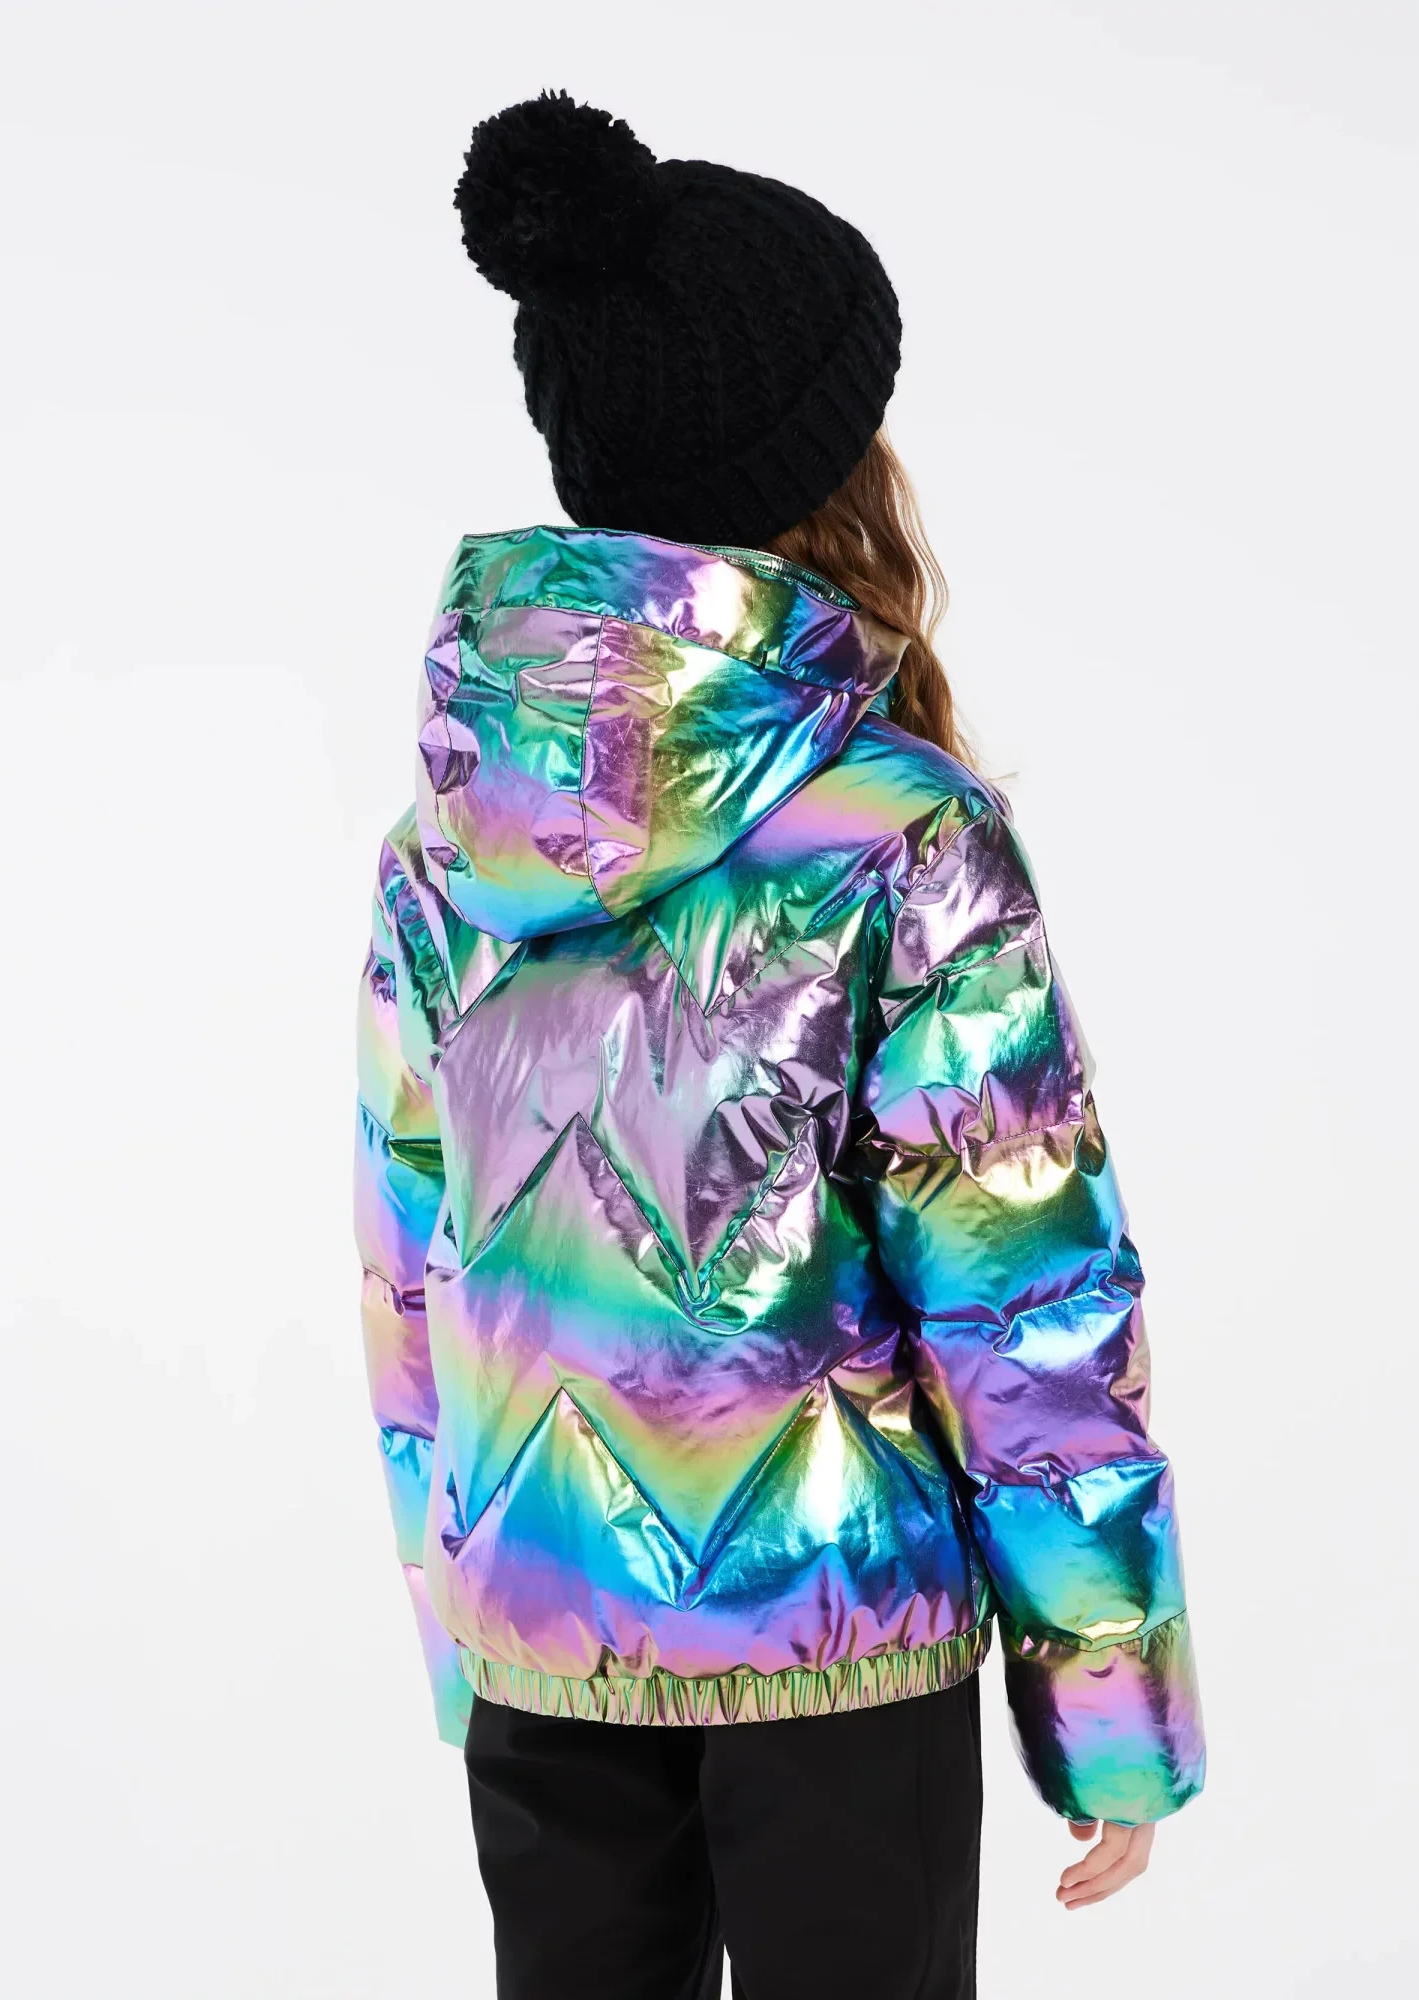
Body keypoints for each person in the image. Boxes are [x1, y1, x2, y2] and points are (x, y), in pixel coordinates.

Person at [353, 90, 1204, 2000]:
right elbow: (1024, 1299)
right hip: (839, 1647)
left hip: (544, 1627)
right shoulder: (903, 836)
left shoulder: (448, 844)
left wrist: (465, 1621)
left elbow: (414, 1273)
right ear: (832, 462)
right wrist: (1110, 1705)